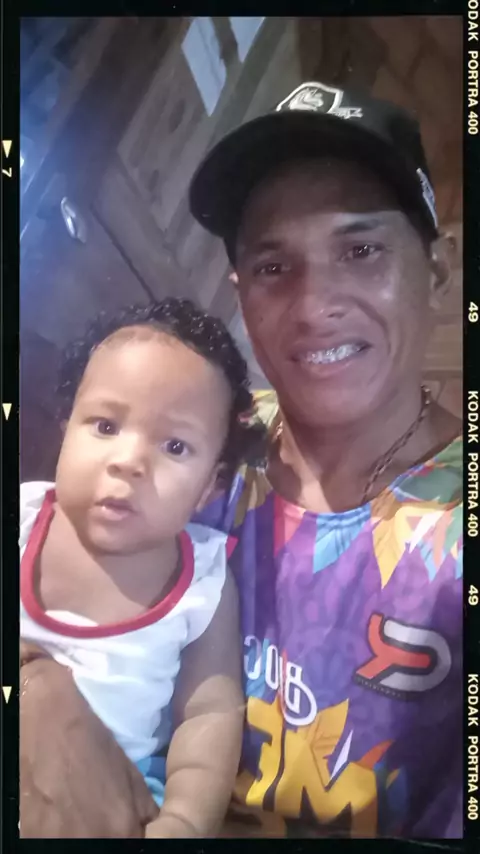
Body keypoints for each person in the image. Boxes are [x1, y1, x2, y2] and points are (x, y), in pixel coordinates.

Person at [20, 82, 463, 839]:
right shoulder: (189, 439)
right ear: (240, 295)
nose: (314, 304)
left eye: (360, 250)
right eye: (272, 267)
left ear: (439, 269)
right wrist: (36, 690)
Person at [20, 297, 261, 838]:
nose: (128, 461)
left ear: (210, 487)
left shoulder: (203, 583)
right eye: (105, 425)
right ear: (65, 428)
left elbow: (208, 713)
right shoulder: (24, 518)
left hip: (118, 810)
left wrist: (184, 820)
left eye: (174, 445)